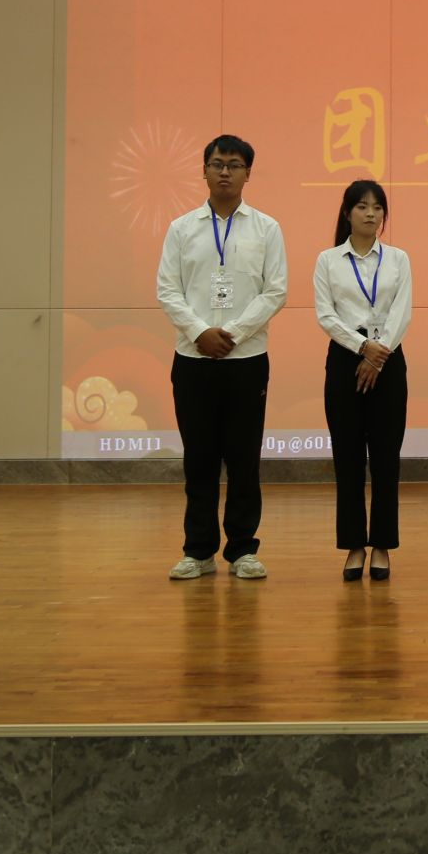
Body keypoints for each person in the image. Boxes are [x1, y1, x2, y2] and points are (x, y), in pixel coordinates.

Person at [156, 134, 288, 582]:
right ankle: (198, 551)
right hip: (193, 359)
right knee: (199, 459)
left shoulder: (267, 228)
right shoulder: (182, 228)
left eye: (234, 164)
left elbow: (275, 291)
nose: (225, 171)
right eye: (217, 164)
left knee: (244, 459)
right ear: (204, 171)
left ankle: (243, 550)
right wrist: (200, 332)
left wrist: (231, 333)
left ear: (248, 173)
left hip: (246, 359)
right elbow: (168, 290)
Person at [312, 179, 413, 583]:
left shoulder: (398, 259)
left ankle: (382, 545)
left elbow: (402, 310)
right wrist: (361, 347)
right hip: (345, 360)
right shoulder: (328, 260)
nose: (371, 214)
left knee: (386, 459)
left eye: (377, 207)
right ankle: (354, 544)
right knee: (348, 458)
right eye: (362, 206)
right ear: (347, 213)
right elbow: (326, 314)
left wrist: (379, 351)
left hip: (388, 360)